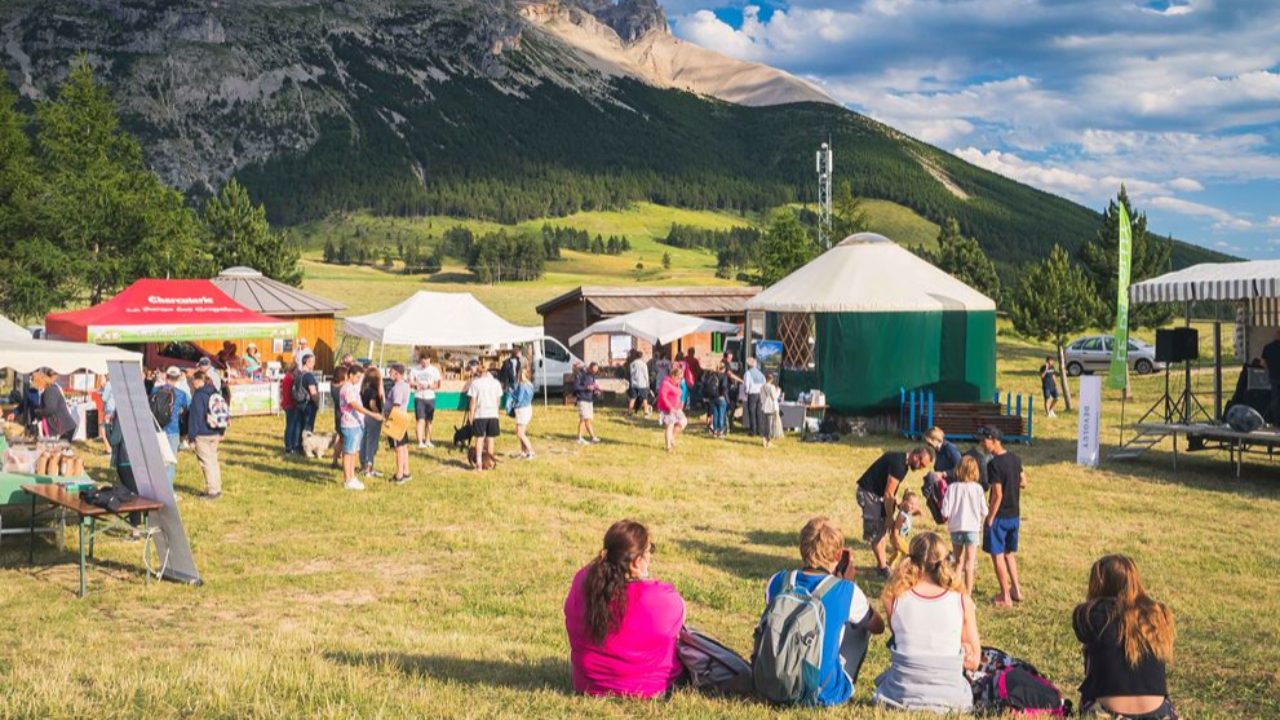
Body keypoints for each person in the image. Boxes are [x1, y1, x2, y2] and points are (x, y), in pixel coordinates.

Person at [762, 517, 885, 707]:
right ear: (838, 556)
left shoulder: (777, 581)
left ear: (802, 548)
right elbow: (877, 626)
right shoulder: (845, 591)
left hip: (772, 682)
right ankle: (838, 684)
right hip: (822, 693)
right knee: (861, 624)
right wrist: (849, 584)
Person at [564, 520, 685, 698]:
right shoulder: (658, 598)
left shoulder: (582, 581)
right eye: (650, 550)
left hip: (588, 685)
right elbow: (680, 618)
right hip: (649, 688)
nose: (651, 556)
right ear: (637, 562)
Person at [873, 532, 981, 712]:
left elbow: (902, 639)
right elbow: (973, 662)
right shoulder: (961, 600)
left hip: (900, 693)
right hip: (952, 698)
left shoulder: (893, 599)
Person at [1073, 555, 1178, 720]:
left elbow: (1085, 642)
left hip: (1107, 713)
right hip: (1158, 713)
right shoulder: (1159, 614)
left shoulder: (1088, 613)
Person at [855, 446, 935, 578]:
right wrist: (889, 517)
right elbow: (888, 494)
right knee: (876, 532)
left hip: (877, 495)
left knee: (881, 531)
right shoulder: (898, 464)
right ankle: (882, 569)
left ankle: (882, 566)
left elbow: (890, 492)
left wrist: (899, 504)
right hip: (868, 493)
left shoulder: (902, 463)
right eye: (921, 464)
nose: (921, 467)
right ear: (916, 456)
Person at [977, 425, 1028, 607]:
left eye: (984, 440)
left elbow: (997, 494)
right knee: (1009, 554)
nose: (981, 444)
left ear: (994, 439)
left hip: (999, 517)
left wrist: (990, 518)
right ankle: (1016, 590)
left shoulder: (994, 465)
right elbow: (1024, 482)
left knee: (997, 555)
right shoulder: (1015, 458)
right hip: (1014, 515)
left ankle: (1005, 596)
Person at [940, 455, 987, 594]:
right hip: (972, 528)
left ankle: (956, 589)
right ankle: (968, 594)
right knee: (970, 563)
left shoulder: (952, 488)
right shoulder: (978, 489)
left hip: (956, 528)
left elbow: (945, 511)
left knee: (957, 561)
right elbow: (984, 510)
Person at [338, 367, 382, 491]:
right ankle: (347, 479)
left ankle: (352, 476)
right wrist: (372, 414)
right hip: (350, 424)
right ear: (350, 375)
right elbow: (354, 405)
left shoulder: (352, 388)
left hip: (356, 424)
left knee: (353, 452)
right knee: (348, 452)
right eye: (357, 377)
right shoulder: (347, 389)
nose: (358, 380)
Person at [187, 370, 225, 500]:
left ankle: (212, 491)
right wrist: (222, 431)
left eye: (193, 381)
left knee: (206, 463)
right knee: (213, 460)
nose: (192, 384)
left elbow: (195, 418)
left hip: (202, 434)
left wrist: (191, 437)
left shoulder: (198, 396)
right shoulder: (215, 393)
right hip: (215, 432)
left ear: (199, 381)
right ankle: (217, 487)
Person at [152, 367, 190, 483]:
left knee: (157, 460)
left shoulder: (155, 390)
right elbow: (188, 407)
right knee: (170, 461)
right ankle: (168, 491)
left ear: (166, 377)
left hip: (157, 429)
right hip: (173, 430)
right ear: (178, 378)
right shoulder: (181, 394)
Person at [467, 365, 503, 472]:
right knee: (490, 438)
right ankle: (489, 461)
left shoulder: (475, 383)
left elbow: (473, 401)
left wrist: (471, 414)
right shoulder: (495, 382)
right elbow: (498, 399)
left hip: (480, 413)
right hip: (492, 413)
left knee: (479, 438)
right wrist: (495, 409)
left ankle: (478, 462)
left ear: (477, 373)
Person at [384, 363, 413, 484]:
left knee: (398, 448)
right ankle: (406, 472)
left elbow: (396, 405)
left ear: (397, 373)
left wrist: (389, 421)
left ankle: (399, 474)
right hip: (402, 418)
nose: (389, 373)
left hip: (396, 420)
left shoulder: (397, 388)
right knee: (404, 446)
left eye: (391, 371)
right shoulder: (405, 385)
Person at [409, 353, 441, 449]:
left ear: (430, 360)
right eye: (423, 362)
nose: (425, 364)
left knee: (429, 421)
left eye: (427, 362)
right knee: (420, 420)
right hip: (419, 397)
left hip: (430, 397)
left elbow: (437, 385)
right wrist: (416, 384)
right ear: (420, 361)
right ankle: (420, 442)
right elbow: (410, 381)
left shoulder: (434, 370)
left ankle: (428, 440)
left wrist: (428, 386)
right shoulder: (415, 370)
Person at [656, 361, 687, 453]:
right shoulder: (666, 383)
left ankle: (672, 437)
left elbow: (679, 394)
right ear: (673, 376)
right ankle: (668, 446)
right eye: (679, 378)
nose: (680, 380)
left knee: (683, 421)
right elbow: (663, 397)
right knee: (669, 426)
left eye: (681, 378)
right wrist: (670, 408)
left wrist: (680, 404)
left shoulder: (676, 383)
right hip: (667, 409)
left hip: (677, 408)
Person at [359, 367, 385, 478]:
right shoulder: (373, 391)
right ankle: (369, 468)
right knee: (372, 443)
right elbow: (372, 403)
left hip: (365, 416)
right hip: (373, 417)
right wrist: (378, 413)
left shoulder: (364, 389)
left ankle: (364, 466)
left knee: (364, 441)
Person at [885, 491, 922, 566]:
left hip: (901, 537)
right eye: (911, 504)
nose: (913, 506)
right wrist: (896, 539)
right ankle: (907, 567)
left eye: (915, 504)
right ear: (904, 503)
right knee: (908, 552)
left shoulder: (907, 512)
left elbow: (912, 513)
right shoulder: (902, 516)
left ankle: (889, 564)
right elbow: (896, 528)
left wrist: (917, 513)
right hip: (897, 537)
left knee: (897, 554)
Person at [510, 366, 536, 460]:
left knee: (520, 433)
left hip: (521, 410)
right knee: (521, 432)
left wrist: (512, 395)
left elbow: (519, 399)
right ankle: (523, 452)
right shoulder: (530, 384)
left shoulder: (521, 384)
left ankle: (531, 452)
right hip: (528, 408)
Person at [575, 362, 602, 445]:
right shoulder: (581, 374)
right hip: (582, 399)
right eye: (594, 370)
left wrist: (596, 391)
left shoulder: (592, 376)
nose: (595, 372)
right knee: (585, 419)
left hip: (590, 400)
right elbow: (576, 387)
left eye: (596, 371)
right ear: (590, 368)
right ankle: (586, 437)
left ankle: (586, 438)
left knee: (586, 419)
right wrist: (586, 388)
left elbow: (593, 386)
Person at [328, 366, 349, 470]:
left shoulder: (332, 385)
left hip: (337, 414)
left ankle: (334, 460)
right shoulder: (343, 388)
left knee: (339, 438)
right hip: (344, 415)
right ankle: (346, 463)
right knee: (346, 440)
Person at [294, 354, 320, 438]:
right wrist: (317, 402)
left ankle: (296, 446)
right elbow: (313, 392)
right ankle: (307, 446)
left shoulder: (298, 375)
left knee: (298, 426)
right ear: (307, 362)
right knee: (308, 427)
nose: (314, 364)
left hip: (299, 403)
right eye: (313, 362)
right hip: (308, 404)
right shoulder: (309, 376)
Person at [704, 362, 729, 438]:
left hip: (712, 398)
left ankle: (714, 431)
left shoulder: (712, 375)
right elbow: (724, 387)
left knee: (715, 415)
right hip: (721, 397)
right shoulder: (724, 376)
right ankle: (720, 431)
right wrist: (726, 398)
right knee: (721, 415)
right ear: (724, 369)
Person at [1260, 329, 1280, 422]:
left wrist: (1269, 370)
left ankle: (1276, 420)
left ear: (1276, 334)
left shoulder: (1267, 347)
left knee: (1275, 399)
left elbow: (1262, 363)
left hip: (1273, 376)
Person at [743, 357, 766, 437]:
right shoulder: (761, 374)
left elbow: (746, 385)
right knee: (759, 413)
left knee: (752, 413)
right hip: (760, 394)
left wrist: (746, 393)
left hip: (752, 394)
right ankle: (760, 431)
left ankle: (753, 431)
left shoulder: (748, 373)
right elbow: (764, 383)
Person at [759, 372, 783, 447]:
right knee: (769, 425)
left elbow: (761, 397)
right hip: (770, 408)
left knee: (764, 424)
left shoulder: (762, 387)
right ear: (771, 379)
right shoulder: (771, 387)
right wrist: (778, 391)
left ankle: (763, 439)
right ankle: (768, 442)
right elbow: (774, 397)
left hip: (763, 407)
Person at [281, 362, 299, 454]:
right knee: (291, 426)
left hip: (287, 404)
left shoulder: (286, 377)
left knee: (290, 425)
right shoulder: (290, 379)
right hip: (290, 404)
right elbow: (292, 393)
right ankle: (289, 446)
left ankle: (289, 445)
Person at [627, 350, 651, 417]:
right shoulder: (643, 364)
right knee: (644, 399)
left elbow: (631, 373)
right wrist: (648, 382)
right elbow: (646, 374)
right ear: (642, 356)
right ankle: (646, 412)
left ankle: (629, 412)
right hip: (642, 383)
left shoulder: (632, 364)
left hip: (634, 383)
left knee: (633, 398)